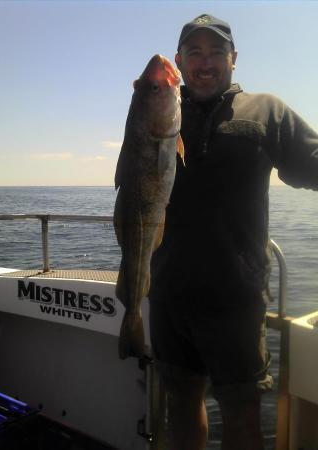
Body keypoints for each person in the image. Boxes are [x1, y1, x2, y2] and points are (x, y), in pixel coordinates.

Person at [148, 13, 318, 450]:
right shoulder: (159, 109)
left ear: (234, 59)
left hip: (235, 302)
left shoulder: (265, 110)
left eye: (217, 52)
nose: (206, 63)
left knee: (242, 415)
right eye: (195, 53)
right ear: (180, 62)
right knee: (182, 407)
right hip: (168, 295)